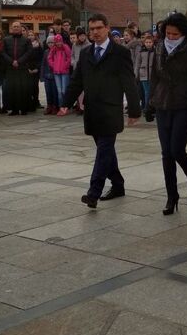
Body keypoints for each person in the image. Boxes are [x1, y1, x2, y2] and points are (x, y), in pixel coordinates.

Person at [58, 13, 142, 208]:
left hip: (111, 110)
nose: (94, 32)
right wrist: (66, 102)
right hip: (93, 110)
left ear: (107, 28)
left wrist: (135, 110)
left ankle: (93, 192)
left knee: (103, 151)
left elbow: (129, 82)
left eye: (98, 28)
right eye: (92, 29)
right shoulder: (87, 53)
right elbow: (77, 80)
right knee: (106, 152)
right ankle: (118, 184)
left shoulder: (120, 52)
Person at [146, 13, 187, 214]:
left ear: (183, 33)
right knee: (166, 154)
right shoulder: (160, 46)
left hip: (183, 103)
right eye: (168, 33)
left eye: (175, 34)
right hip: (163, 102)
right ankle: (172, 197)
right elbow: (155, 75)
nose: (170, 37)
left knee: (177, 150)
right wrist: (150, 103)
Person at [2, 21, 33, 116]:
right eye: (14, 26)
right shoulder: (6, 40)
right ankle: (14, 109)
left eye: (17, 27)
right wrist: (12, 61)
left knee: (23, 89)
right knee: (12, 89)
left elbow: (29, 52)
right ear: (11, 28)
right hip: (11, 68)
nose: (15, 28)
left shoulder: (26, 40)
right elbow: (3, 52)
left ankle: (24, 109)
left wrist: (18, 61)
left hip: (22, 68)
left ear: (20, 28)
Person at [46, 32, 72, 116]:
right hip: (56, 72)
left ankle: (66, 107)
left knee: (64, 90)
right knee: (59, 91)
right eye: (57, 41)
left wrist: (65, 65)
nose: (58, 43)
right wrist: (54, 65)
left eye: (59, 41)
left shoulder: (66, 48)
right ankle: (61, 108)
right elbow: (49, 58)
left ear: (62, 41)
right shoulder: (53, 49)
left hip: (65, 72)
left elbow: (69, 58)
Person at [133, 33, 155, 119]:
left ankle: (152, 108)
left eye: (150, 42)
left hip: (153, 76)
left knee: (152, 93)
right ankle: (146, 109)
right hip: (144, 75)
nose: (148, 44)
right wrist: (136, 75)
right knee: (147, 93)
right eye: (147, 42)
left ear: (153, 43)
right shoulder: (141, 52)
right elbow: (137, 64)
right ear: (144, 43)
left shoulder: (155, 52)